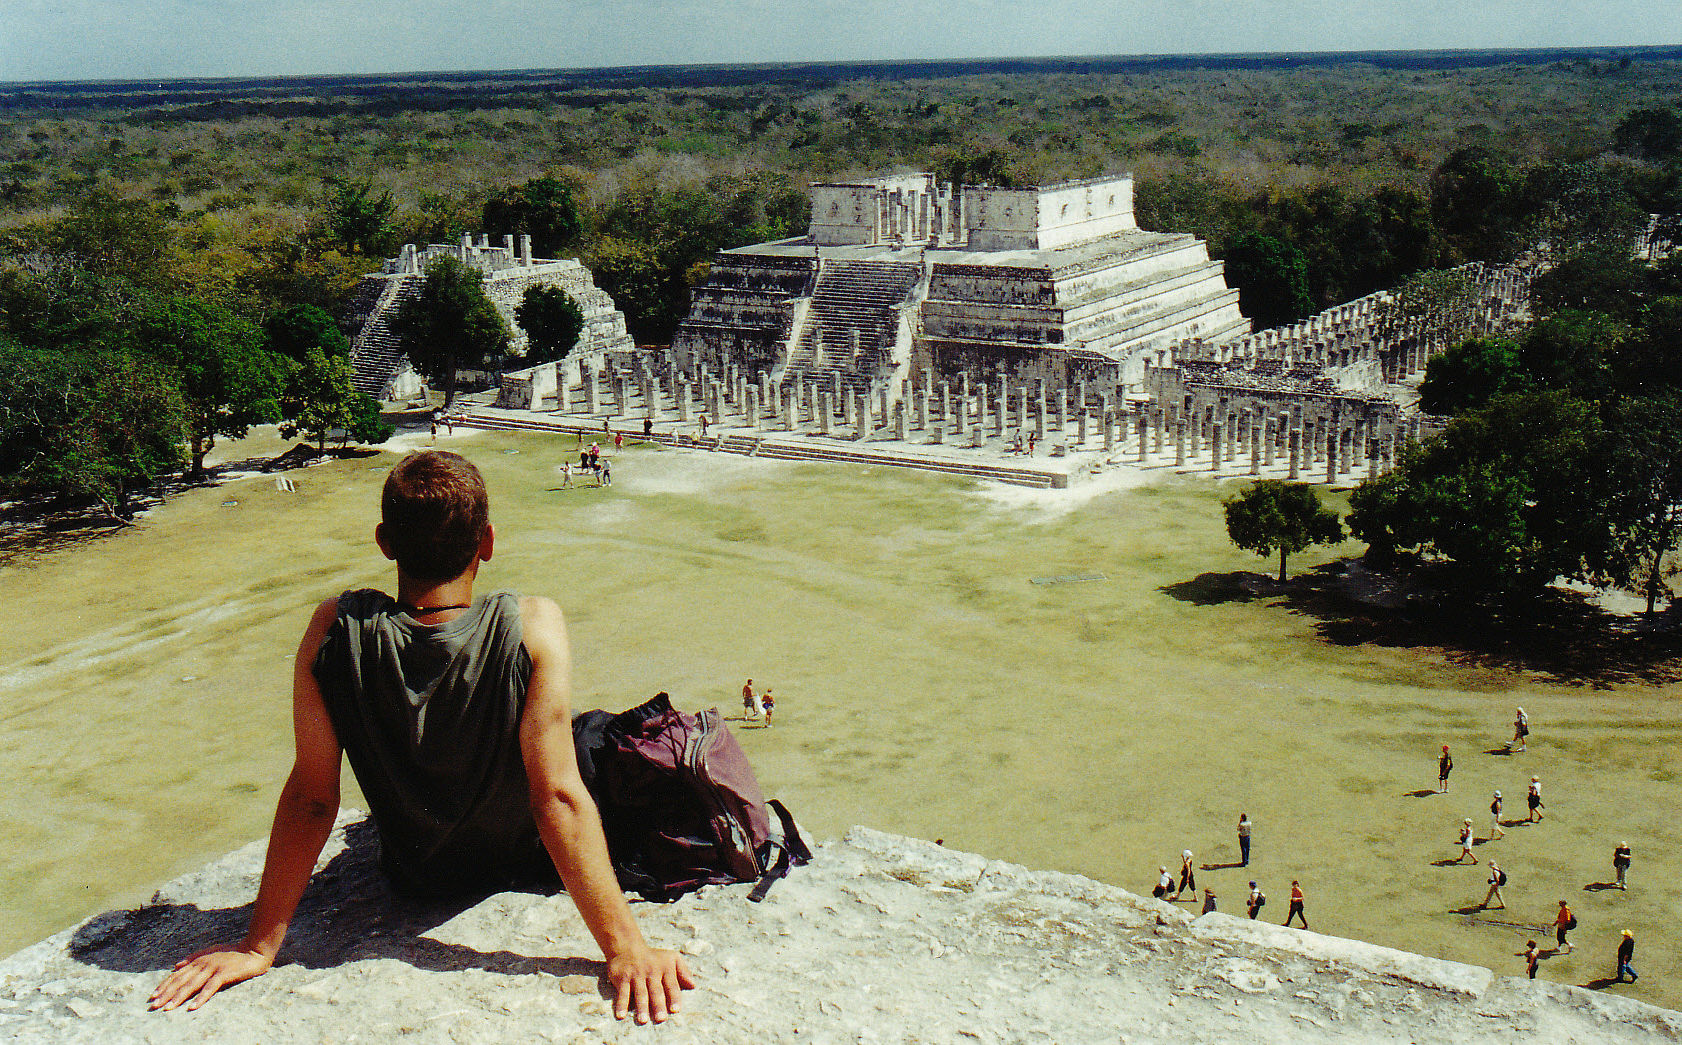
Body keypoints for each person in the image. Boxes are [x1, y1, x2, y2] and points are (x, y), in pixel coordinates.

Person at [147, 451, 695, 1022]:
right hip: (516, 857)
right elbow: (555, 794)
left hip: (418, 873)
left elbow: (313, 798)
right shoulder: (532, 623)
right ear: (486, 541)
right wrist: (626, 947)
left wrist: (257, 945)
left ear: (384, 542)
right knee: (594, 736)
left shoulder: (333, 627)